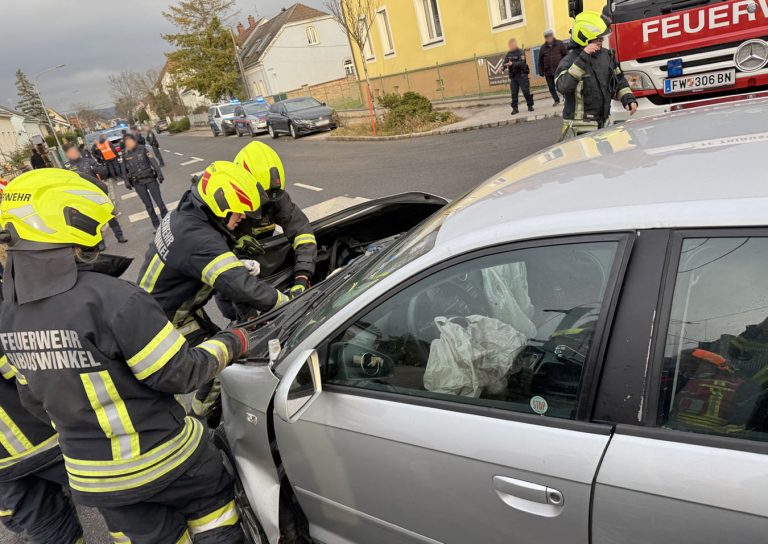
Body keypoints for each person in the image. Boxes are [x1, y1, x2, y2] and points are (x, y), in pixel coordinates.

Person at [0, 169, 249, 543]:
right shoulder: (115, 298)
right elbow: (181, 373)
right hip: (169, 461)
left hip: (101, 483)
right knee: (215, 521)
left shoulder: (10, 314)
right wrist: (233, 342)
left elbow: (33, 400)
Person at [136, 161, 289, 423]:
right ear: (219, 207)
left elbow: (193, 259)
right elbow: (242, 286)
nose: (242, 218)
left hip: (160, 307)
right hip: (163, 321)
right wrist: (289, 303)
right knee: (223, 361)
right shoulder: (198, 239)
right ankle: (202, 419)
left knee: (219, 342)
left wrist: (233, 253)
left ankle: (205, 411)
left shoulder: (185, 214)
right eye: (239, 213)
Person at [0, 350, 85, 543]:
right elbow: (22, 363)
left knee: (51, 531)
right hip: (41, 437)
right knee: (128, 498)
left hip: (5, 465)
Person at [555, 10, 637, 139]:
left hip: (604, 125)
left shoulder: (606, 56)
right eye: (598, 38)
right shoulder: (568, 61)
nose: (601, 40)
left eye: (602, 37)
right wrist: (583, 58)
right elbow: (563, 86)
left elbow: (618, 80)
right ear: (584, 37)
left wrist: (628, 98)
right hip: (579, 130)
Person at [63, 143, 128, 244]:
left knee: (110, 215)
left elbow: (104, 171)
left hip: (97, 193)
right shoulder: (66, 168)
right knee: (92, 222)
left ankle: (120, 236)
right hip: (82, 198)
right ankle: (100, 243)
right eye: (71, 152)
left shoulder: (88, 161)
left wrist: (97, 169)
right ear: (67, 154)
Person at [122, 134, 168, 229]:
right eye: (127, 142)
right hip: (138, 183)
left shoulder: (142, 149)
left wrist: (159, 174)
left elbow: (153, 161)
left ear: (134, 141)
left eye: (130, 141)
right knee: (148, 206)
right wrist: (126, 181)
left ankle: (167, 222)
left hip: (150, 179)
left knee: (159, 202)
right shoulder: (124, 154)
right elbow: (123, 170)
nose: (129, 143)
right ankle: (157, 226)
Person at [503, 38, 534, 115]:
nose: (511, 46)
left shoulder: (521, 52)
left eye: (512, 45)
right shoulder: (508, 54)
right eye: (510, 45)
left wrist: (512, 64)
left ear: (515, 44)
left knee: (526, 91)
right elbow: (505, 63)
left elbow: (522, 63)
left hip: (522, 75)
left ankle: (530, 105)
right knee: (514, 93)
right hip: (513, 76)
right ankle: (515, 108)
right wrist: (502, 68)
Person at [538, 30, 567, 106]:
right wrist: (541, 71)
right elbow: (540, 60)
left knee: (562, 86)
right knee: (551, 88)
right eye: (547, 37)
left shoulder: (559, 44)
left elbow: (566, 55)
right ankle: (556, 100)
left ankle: (566, 98)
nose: (548, 38)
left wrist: (565, 66)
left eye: (550, 36)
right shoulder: (543, 48)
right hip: (548, 72)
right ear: (545, 38)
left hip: (559, 70)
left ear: (552, 35)